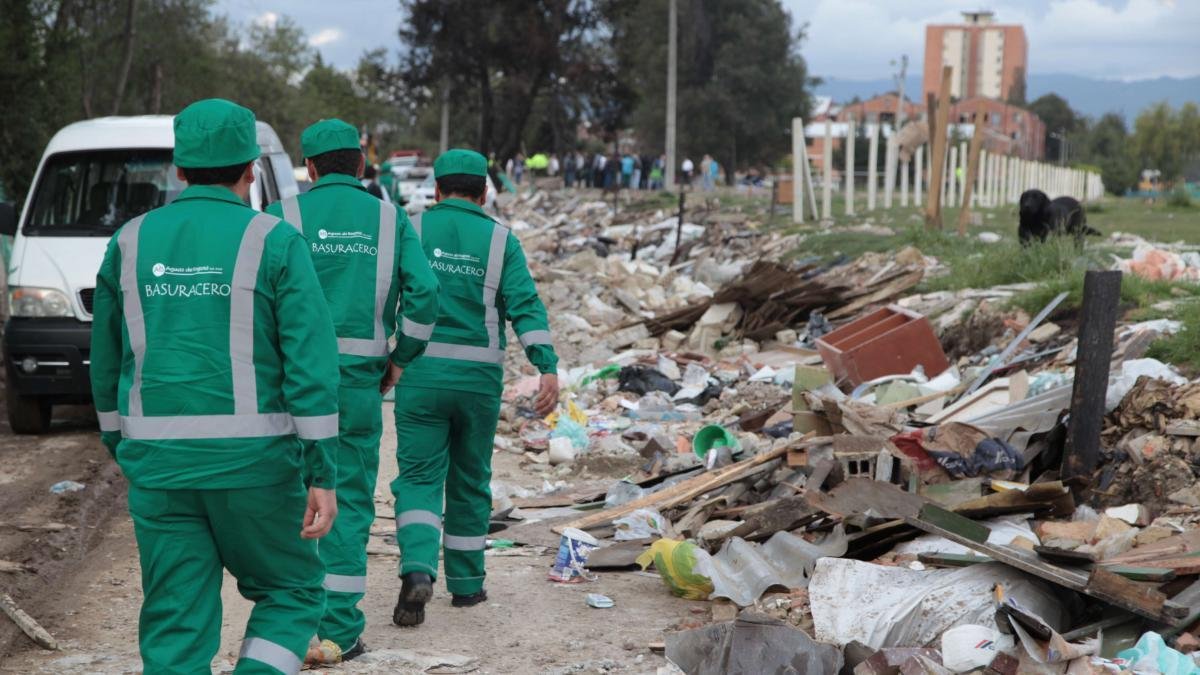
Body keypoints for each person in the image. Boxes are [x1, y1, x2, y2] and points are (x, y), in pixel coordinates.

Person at [91, 98, 341, 673]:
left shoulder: (128, 242)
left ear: (178, 169)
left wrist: (122, 446)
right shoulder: (275, 241)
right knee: (292, 592)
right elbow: (310, 366)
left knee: (177, 622)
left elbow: (105, 364)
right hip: (255, 470)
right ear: (251, 169)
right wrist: (321, 471)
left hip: (160, 470)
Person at [267, 119, 440, 662]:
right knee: (351, 502)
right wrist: (399, 359)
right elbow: (426, 296)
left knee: (295, 501)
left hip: (291, 389)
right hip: (361, 385)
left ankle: (296, 628)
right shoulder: (390, 220)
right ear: (363, 165)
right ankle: (339, 631)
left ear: (310, 168)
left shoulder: (280, 217)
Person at [391, 149, 559, 627]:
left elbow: (391, 296)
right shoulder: (501, 240)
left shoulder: (413, 229)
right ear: (485, 193)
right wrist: (546, 365)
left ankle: (418, 569)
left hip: (421, 376)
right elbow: (525, 305)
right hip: (479, 382)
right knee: (468, 480)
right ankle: (466, 587)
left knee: (419, 478)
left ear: (437, 190)